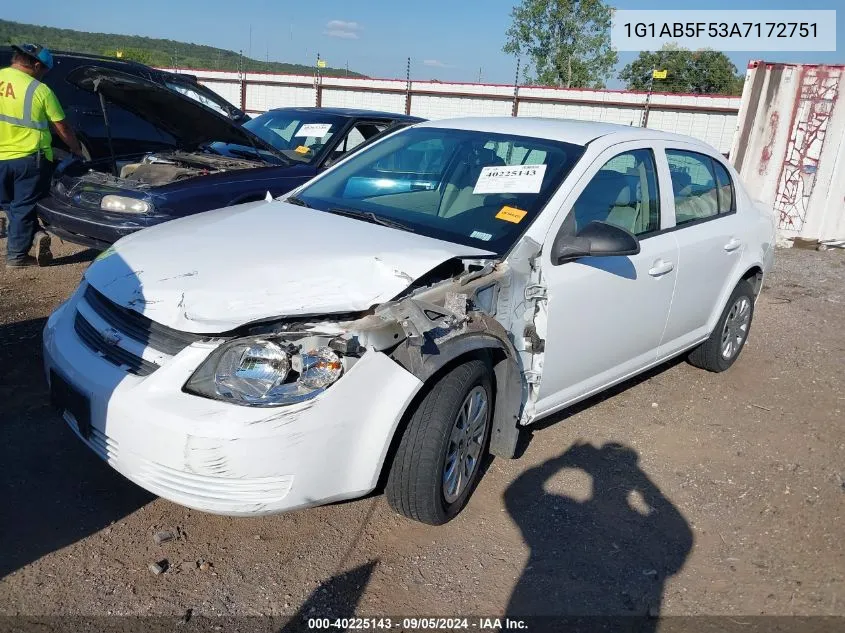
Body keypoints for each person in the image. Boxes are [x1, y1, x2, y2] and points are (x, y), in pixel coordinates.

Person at [0, 43, 84, 268]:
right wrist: (76, 149)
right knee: (22, 207)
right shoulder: (39, 90)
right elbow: (62, 127)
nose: (44, 75)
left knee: (7, 203)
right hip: (26, 158)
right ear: (37, 65)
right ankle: (17, 257)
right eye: (44, 70)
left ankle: (32, 234)